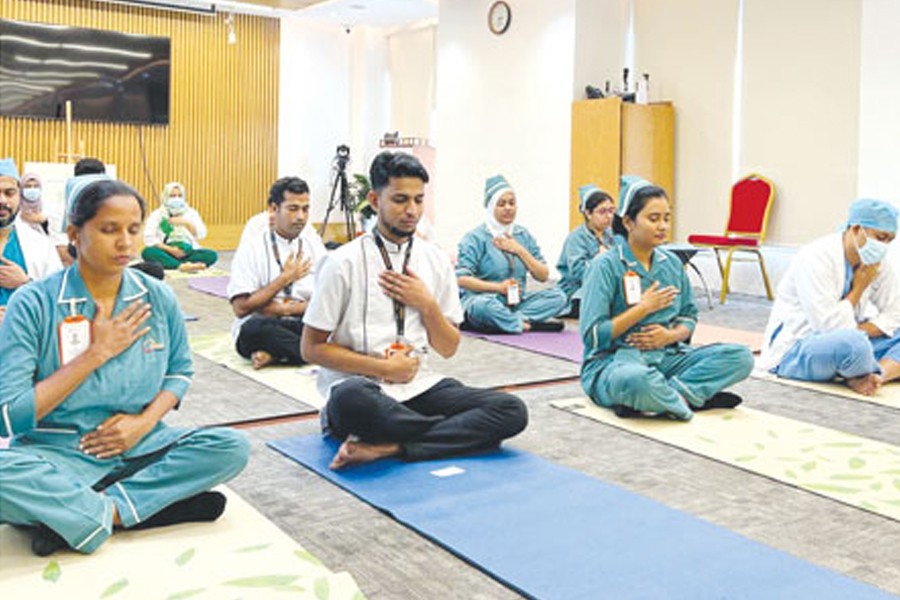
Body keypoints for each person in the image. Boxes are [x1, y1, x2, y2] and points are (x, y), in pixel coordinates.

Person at [0, 178, 249, 556]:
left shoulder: (156, 296)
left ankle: (85, 515)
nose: (125, 243)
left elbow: (179, 372)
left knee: (231, 447)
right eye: (109, 230)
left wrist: (143, 424)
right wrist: (95, 354)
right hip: (55, 453)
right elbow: (9, 416)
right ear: (74, 233)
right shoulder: (33, 302)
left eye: (133, 230)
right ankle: (139, 509)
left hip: (138, 447)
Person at [301, 152, 527, 470]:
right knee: (352, 399)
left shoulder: (435, 260)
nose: (412, 211)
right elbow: (311, 348)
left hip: (419, 385)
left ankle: (391, 446)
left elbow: (448, 348)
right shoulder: (342, 262)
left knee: (511, 410)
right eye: (400, 200)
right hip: (362, 388)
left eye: (419, 200)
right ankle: (453, 432)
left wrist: (426, 304)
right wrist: (383, 370)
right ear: (374, 199)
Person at [580, 177, 753, 420]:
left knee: (740, 357)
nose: (662, 226)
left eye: (666, 218)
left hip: (668, 357)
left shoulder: (671, 264)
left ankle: (666, 397)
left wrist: (670, 336)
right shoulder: (605, 266)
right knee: (635, 380)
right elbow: (593, 335)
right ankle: (685, 397)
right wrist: (642, 308)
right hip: (615, 362)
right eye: (653, 219)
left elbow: (689, 316)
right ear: (628, 222)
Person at [760, 198, 900, 395]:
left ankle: (875, 377)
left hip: (849, 336)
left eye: (890, 240)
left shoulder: (877, 261)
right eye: (880, 237)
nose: (884, 245)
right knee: (853, 344)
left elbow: (895, 312)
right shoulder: (816, 257)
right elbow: (828, 326)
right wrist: (858, 289)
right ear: (856, 229)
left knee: (856, 340)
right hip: (800, 347)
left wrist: (860, 329)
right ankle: (859, 368)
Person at [227, 177, 326, 369]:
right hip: (265, 324)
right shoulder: (252, 249)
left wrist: (285, 309)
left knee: (337, 327)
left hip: (303, 322)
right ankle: (315, 353)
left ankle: (277, 354)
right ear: (274, 209)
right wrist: (284, 279)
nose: (301, 217)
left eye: (305, 209)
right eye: (293, 209)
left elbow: (329, 300)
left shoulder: (314, 246)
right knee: (252, 330)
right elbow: (240, 308)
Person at [456, 175, 568, 333]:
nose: (508, 208)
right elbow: (461, 279)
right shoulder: (475, 238)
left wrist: (519, 250)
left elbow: (543, 275)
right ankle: (522, 323)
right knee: (483, 306)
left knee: (559, 297)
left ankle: (508, 321)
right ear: (490, 206)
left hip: (517, 303)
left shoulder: (523, 235)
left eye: (512, 203)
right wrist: (498, 288)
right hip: (485, 299)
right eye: (501, 204)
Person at [0, 158, 63, 327]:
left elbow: (59, 299)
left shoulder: (40, 245)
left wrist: (25, 283)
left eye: (9, 193)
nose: (2, 201)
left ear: (19, 196)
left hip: (24, 343)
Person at [556, 184, 616, 318]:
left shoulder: (613, 235)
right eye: (602, 212)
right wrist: (598, 260)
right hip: (579, 288)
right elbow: (577, 272)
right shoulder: (576, 238)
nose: (609, 216)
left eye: (611, 211)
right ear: (588, 213)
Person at [142, 182, 218, 271]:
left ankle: (174, 264)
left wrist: (186, 223)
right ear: (166, 197)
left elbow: (201, 234)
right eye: (172, 196)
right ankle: (182, 266)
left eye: (179, 195)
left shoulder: (191, 213)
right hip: (166, 251)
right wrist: (170, 249)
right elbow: (149, 238)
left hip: (188, 251)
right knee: (147, 252)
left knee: (212, 255)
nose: (176, 198)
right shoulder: (158, 214)